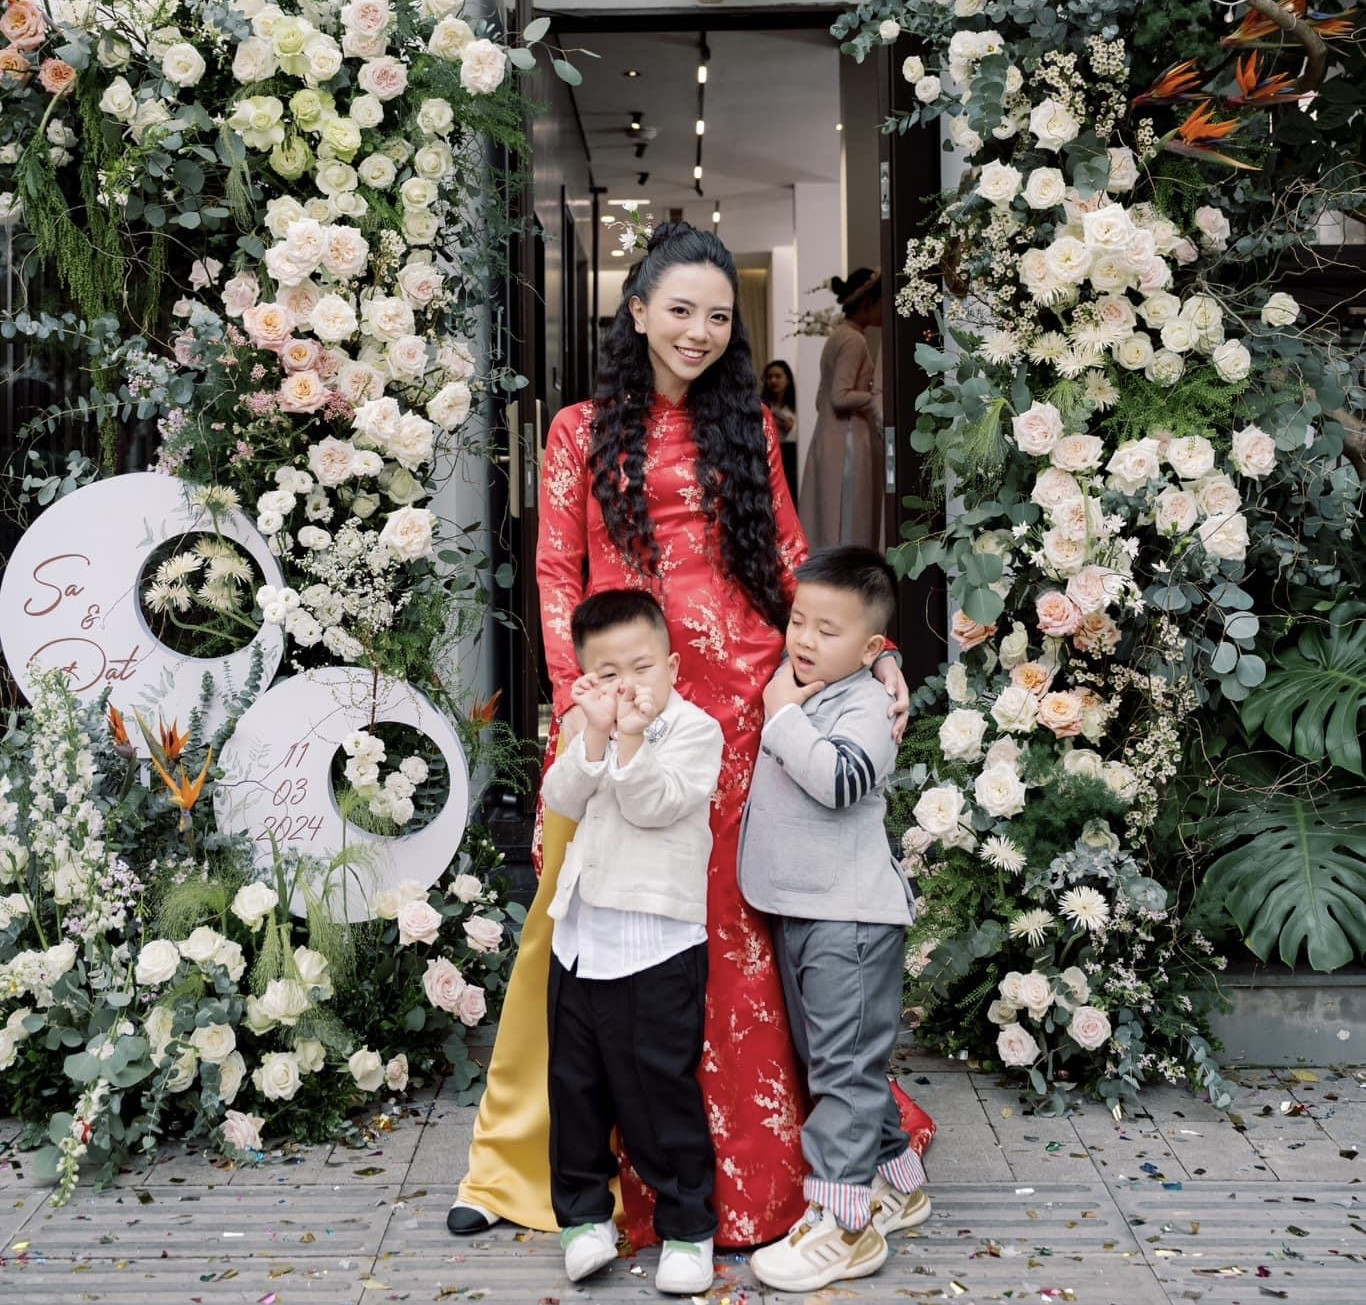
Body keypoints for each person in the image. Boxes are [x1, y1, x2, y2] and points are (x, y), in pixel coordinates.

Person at [447, 222, 926, 1250]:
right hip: (630, 699)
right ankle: (569, 1163)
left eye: (718, 315)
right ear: (637, 312)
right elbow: (557, 574)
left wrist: (870, 652)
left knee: (735, 925)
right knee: (599, 915)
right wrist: (580, 699)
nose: (699, 331)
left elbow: (791, 558)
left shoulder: (743, 424)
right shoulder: (577, 430)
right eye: (679, 310)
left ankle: (764, 1173)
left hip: (743, 699)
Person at [740, 546, 929, 1292]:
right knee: (840, 1061)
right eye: (799, 622)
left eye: (828, 629)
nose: (805, 639)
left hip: (849, 918)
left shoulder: (869, 705)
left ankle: (845, 1227)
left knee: (843, 1072)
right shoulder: (811, 682)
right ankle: (899, 1186)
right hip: (805, 908)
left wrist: (782, 717)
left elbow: (843, 780)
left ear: (873, 646)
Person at [541, 590, 722, 1295]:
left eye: (642, 667)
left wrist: (632, 739)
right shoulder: (588, 726)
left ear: (672, 666)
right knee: (575, 1089)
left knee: (659, 1091)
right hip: (581, 939)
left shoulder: (695, 731)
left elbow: (653, 805)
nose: (626, 687)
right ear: (586, 677)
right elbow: (562, 799)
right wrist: (592, 736)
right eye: (607, 673)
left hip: (657, 947)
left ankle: (688, 1228)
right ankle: (584, 1220)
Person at [798, 269, 885, 551]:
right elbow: (840, 396)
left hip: (828, 434)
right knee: (848, 516)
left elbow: (822, 397)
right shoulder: (854, 341)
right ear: (868, 303)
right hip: (847, 438)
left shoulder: (838, 336)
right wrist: (876, 399)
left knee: (831, 518)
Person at [760, 358, 800, 501]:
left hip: (792, 454)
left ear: (787, 379)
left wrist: (792, 427)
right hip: (768, 454)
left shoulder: (798, 405)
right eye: (769, 377)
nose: (773, 380)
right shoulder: (763, 405)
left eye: (778, 376)